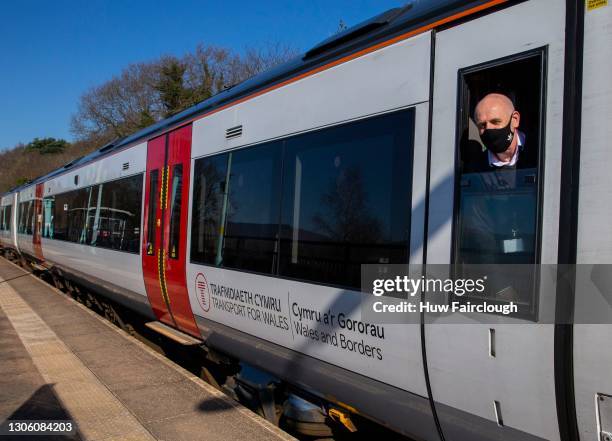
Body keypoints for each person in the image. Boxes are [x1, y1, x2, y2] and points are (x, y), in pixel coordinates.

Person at [462, 93, 536, 173]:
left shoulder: (539, 154)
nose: (489, 129)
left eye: (495, 122)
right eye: (482, 125)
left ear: (515, 120)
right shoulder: (475, 170)